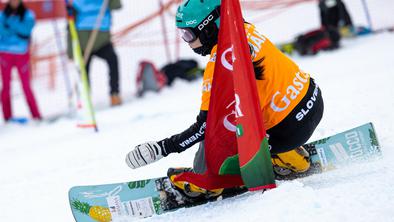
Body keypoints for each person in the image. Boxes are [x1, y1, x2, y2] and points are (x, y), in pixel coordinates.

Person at [125, 0, 324, 197]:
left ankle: (206, 185)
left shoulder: (219, 64)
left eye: (188, 34)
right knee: (237, 116)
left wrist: (161, 148)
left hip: (287, 131)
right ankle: (290, 156)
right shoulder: (244, 28)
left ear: (208, 28)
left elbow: (205, 127)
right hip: (313, 101)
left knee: (217, 134)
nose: (188, 42)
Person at [66, 0, 122, 106]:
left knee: (113, 60)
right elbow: (70, 24)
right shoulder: (75, 3)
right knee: (84, 71)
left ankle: (114, 94)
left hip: (102, 39)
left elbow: (117, 5)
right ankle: (85, 98)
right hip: (84, 42)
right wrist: (70, 50)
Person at [0, 0, 41, 122]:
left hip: (22, 54)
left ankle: (36, 116)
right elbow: (2, 31)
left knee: (26, 86)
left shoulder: (28, 14)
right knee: (6, 86)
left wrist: (11, 25)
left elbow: (26, 30)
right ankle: (7, 117)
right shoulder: (2, 15)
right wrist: (16, 28)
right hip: (5, 54)